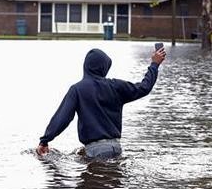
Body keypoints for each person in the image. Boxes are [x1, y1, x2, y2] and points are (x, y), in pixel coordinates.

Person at [36, 47, 166, 159]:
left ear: (85, 66)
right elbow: (144, 87)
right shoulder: (116, 86)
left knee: (94, 184)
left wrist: (45, 140)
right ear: (104, 68)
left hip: (94, 150)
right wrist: (154, 64)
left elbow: (62, 118)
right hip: (116, 147)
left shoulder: (77, 89)